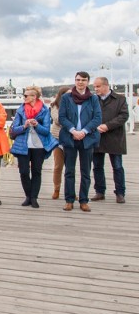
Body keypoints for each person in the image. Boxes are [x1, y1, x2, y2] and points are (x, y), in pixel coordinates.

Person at [58, 71, 102, 212]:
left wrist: (84, 131)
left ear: (87, 81)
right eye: (78, 79)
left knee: (85, 171)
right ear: (75, 81)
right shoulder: (66, 97)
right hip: (70, 138)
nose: (80, 82)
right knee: (69, 171)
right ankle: (69, 200)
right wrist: (73, 131)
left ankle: (84, 200)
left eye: (83, 80)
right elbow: (62, 117)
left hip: (87, 139)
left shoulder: (93, 99)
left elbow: (97, 118)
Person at [9, 86, 58, 208]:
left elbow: (46, 131)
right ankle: (28, 196)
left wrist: (36, 125)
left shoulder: (44, 110)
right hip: (23, 145)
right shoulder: (20, 110)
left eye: (26, 96)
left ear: (34, 97)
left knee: (37, 171)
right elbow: (15, 129)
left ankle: (34, 197)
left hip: (39, 145)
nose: (23, 97)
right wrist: (24, 126)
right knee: (24, 172)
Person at [92, 77, 128, 204]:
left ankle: (120, 193)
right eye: (94, 86)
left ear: (106, 85)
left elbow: (123, 116)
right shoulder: (93, 99)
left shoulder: (120, 99)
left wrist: (107, 126)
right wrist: (94, 125)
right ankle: (100, 191)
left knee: (117, 166)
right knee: (97, 166)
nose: (95, 89)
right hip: (97, 137)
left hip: (115, 137)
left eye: (98, 86)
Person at [49, 86, 71, 199]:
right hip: (58, 138)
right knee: (58, 166)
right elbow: (58, 120)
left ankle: (70, 190)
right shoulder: (55, 106)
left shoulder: (74, 105)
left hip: (71, 139)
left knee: (70, 167)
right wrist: (72, 123)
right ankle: (56, 189)